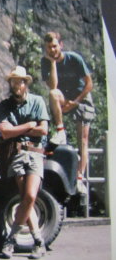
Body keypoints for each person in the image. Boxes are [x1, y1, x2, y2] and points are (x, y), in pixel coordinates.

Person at [0, 66, 50, 260]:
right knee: (25, 199)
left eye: (19, 81)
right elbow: (4, 132)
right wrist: (29, 126)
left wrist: (16, 130)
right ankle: (38, 242)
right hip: (17, 155)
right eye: (13, 81)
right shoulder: (4, 105)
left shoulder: (37, 101)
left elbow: (43, 130)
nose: (16, 84)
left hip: (35, 154)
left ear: (25, 83)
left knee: (29, 196)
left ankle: (10, 239)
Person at [41, 31, 95, 195]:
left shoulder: (74, 58)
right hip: (65, 99)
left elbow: (89, 84)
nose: (53, 50)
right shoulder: (46, 61)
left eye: (55, 46)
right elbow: (53, 86)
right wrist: (52, 63)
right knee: (53, 94)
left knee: (83, 140)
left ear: (61, 45)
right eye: (49, 48)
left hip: (81, 99)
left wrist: (76, 102)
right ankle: (60, 130)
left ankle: (79, 178)